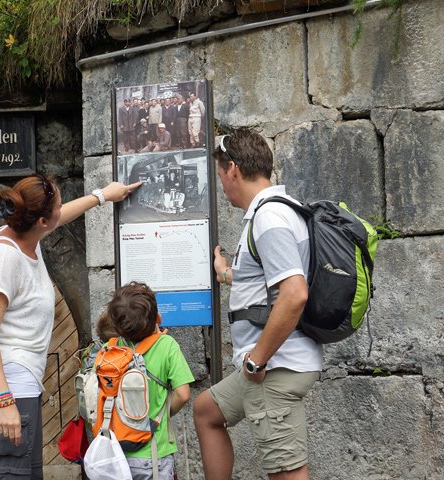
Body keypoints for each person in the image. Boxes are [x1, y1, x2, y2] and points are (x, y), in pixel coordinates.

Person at [0, 174, 142, 479]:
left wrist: (103, 195)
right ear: (41, 222)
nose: (60, 211)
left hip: (21, 382)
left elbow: (60, 216)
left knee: (29, 473)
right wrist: (4, 401)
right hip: (8, 385)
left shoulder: (25, 235)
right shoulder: (5, 259)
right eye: (57, 207)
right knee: (12, 474)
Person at [193, 129, 319, 480]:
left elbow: (294, 293)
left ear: (232, 169)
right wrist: (228, 273)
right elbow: (271, 281)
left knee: (287, 473)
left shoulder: (268, 217)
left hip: (272, 367)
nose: (222, 185)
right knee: (206, 411)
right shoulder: (278, 211)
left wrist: (256, 360)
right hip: (271, 363)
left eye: (220, 176)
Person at [105, 282, 194, 480]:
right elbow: (183, 394)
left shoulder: (109, 349)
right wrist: (164, 411)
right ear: (156, 317)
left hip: (116, 454)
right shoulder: (166, 345)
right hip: (154, 452)